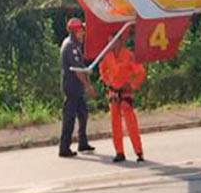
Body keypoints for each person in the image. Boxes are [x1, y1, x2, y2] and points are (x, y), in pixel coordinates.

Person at [99, 31, 145, 163]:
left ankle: (139, 151)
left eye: (113, 41)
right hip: (114, 92)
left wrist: (132, 85)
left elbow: (140, 72)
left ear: (119, 41)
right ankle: (119, 152)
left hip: (125, 92)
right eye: (109, 42)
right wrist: (108, 81)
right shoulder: (108, 56)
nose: (111, 44)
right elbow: (102, 70)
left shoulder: (128, 55)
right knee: (115, 123)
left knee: (131, 122)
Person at [59, 17, 97, 158]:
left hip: (76, 86)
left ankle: (82, 142)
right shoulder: (70, 47)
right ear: (74, 31)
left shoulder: (74, 45)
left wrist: (86, 70)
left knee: (83, 113)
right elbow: (76, 70)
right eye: (81, 31)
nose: (83, 33)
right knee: (70, 117)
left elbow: (80, 68)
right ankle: (64, 147)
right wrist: (88, 86)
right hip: (72, 86)